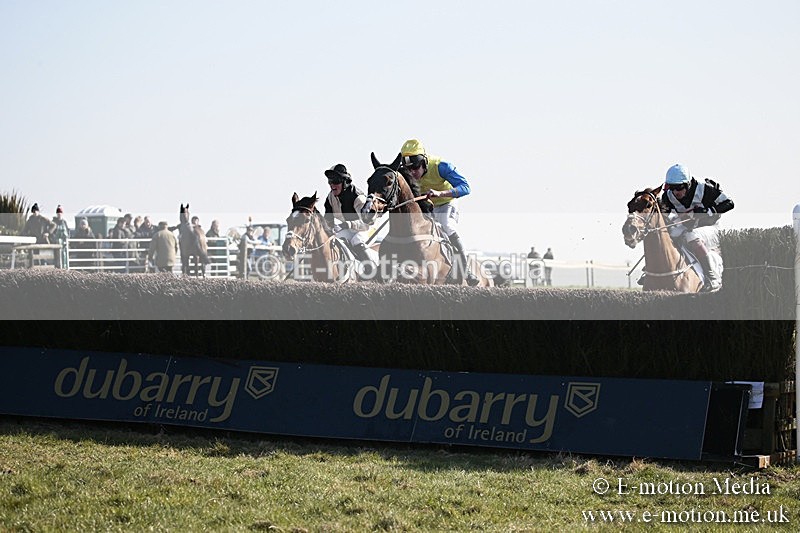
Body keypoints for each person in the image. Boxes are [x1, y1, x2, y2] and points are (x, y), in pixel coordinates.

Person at [399, 139, 479, 286]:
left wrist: (441, 193)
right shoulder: (408, 170)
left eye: (415, 168)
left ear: (424, 162)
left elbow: (465, 187)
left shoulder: (442, 166)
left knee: (447, 226)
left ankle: (465, 269)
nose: (412, 173)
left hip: (446, 203)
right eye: (408, 169)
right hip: (427, 207)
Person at [661, 163, 734, 291]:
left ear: (688, 184)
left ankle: (712, 277)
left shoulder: (705, 188)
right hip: (687, 227)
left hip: (711, 228)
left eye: (679, 187)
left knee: (691, 235)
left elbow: (729, 203)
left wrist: (705, 212)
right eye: (672, 188)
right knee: (667, 235)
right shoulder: (668, 196)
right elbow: (665, 218)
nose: (675, 192)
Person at [323, 163, 373, 265]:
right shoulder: (330, 198)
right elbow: (328, 221)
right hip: (349, 228)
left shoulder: (358, 198)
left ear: (345, 182)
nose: (332, 185)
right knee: (335, 241)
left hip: (369, 227)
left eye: (335, 181)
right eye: (330, 181)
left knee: (356, 241)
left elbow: (366, 224)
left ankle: (372, 270)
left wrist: (347, 224)